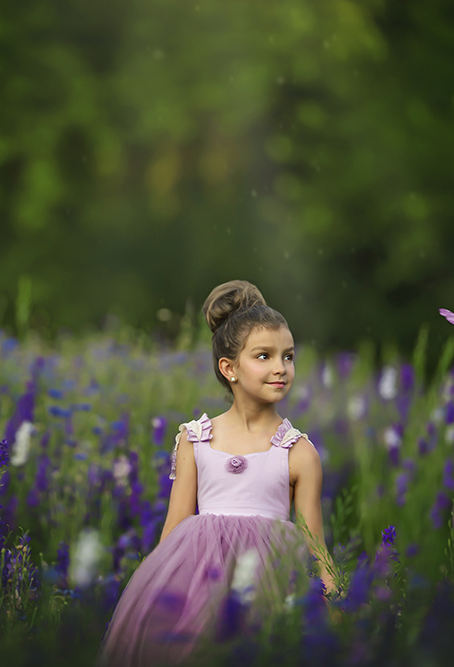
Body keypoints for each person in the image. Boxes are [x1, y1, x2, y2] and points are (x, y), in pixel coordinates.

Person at [96, 279, 336, 667]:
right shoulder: (195, 439)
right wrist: (151, 595)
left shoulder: (298, 452)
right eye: (264, 356)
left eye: (288, 357)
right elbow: (175, 526)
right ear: (229, 368)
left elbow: (314, 542)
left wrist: (335, 598)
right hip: (197, 584)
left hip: (269, 581)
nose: (280, 368)